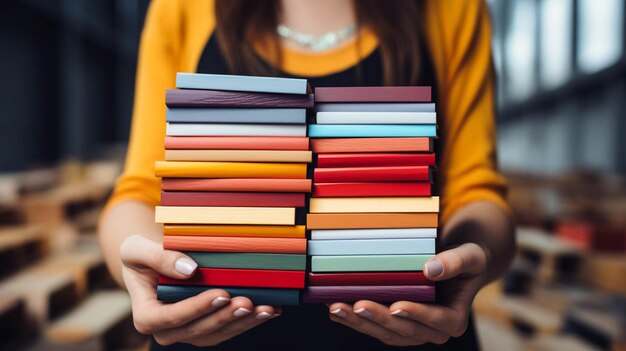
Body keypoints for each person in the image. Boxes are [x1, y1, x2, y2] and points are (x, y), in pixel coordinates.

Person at [98, 0, 515, 349]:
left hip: (416, 330)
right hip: (206, 330)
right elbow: (139, 193)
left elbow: (475, 190)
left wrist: (467, 258)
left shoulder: (452, 8)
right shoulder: (182, 7)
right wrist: (148, 269)